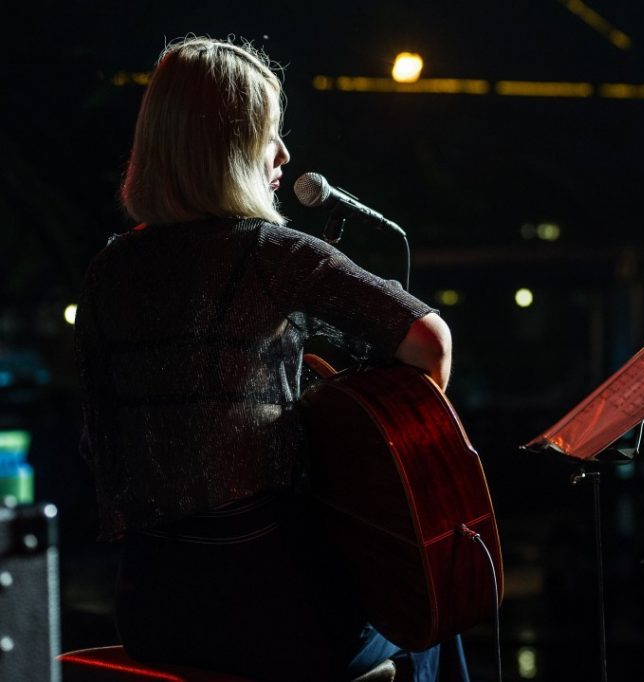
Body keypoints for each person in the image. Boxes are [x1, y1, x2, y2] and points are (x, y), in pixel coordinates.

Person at [74, 36, 465, 681]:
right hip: (267, 612)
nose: (283, 154)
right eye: (267, 134)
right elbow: (430, 341)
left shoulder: (110, 270)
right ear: (223, 147)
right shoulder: (270, 253)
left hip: (151, 606)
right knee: (429, 614)